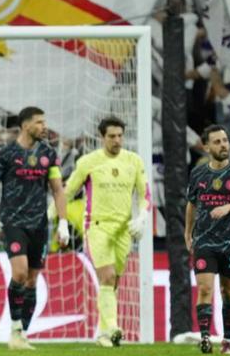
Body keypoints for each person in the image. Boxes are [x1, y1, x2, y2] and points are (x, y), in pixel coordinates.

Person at [0, 106, 70, 349]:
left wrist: (63, 222)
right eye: (39, 122)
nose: (44, 126)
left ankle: (23, 333)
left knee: (31, 280)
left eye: (44, 122)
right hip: (13, 222)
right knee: (19, 273)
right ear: (25, 125)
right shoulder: (6, 153)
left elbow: (57, 188)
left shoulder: (48, 153)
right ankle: (15, 328)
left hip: (39, 225)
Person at [64, 116, 150, 347]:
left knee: (114, 283)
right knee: (107, 276)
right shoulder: (88, 162)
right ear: (102, 137)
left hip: (124, 229)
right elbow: (68, 191)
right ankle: (112, 327)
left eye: (120, 135)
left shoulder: (134, 161)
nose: (117, 140)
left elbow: (145, 195)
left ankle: (103, 333)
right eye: (112, 136)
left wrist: (142, 218)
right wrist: (60, 221)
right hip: (97, 227)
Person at [185, 125, 230, 355]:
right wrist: (188, 233)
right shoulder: (198, 174)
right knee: (204, 288)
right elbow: (191, 204)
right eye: (217, 142)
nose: (224, 145)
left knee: (228, 292)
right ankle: (205, 338)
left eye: (225, 140)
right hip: (204, 241)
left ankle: (227, 339)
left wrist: (227, 207)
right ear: (206, 147)